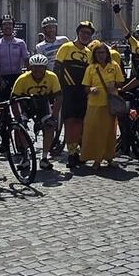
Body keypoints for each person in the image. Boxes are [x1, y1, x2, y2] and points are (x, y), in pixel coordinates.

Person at [54, 21, 97, 168]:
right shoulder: (66, 47)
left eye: (88, 33)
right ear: (78, 33)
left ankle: (77, 151)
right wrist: (57, 90)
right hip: (68, 91)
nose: (85, 35)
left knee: (80, 122)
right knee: (70, 122)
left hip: (82, 92)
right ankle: (71, 154)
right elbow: (57, 69)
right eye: (83, 32)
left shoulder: (89, 53)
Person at [10, 54, 62, 169]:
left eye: (41, 67)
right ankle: (26, 156)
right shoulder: (22, 78)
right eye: (34, 67)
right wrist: (18, 118)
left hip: (43, 105)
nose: (37, 70)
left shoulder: (52, 77)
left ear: (45, 68)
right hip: (26, 105)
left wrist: (54, 116)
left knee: (50, 126)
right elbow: (13, 100)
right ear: (30, 68)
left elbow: (59, 98)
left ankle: (44, 157)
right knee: (20, 127)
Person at [82, 41, 124, 170]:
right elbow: (85, 87)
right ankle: (96, 159)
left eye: (103, 53)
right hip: (94, 104)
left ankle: (109, 157)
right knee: (94, 132)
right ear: (94, 54)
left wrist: (114, 84)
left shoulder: (114, 65)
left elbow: (121, 83)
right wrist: (91, 89)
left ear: (107, 54)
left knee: (110, 132)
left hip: (110, 104)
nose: (101, 55)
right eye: (98, 53)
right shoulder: (91, 68)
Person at [0, 16, 29, 93]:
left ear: (13, 26)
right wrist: (0, 81)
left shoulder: (21, 43)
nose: (8, 26)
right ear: (1, 27)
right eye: (5, 24)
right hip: (3, 77)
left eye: (10, 24)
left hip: (18, 76)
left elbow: (26, 61)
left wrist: (27, 77)